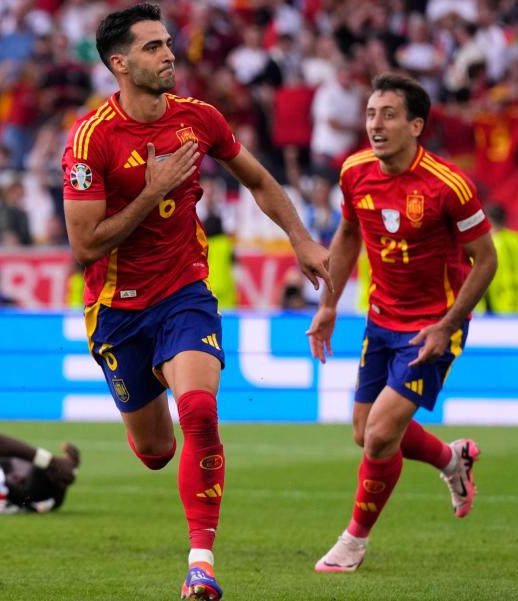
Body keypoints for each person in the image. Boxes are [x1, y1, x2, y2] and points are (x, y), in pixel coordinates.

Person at [61, 5, 331, 599]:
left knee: (201, 413)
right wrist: (152, 190)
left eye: (168, 44)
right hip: (116, 308)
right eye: (154, 47)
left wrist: (302, 239)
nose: (169, 56)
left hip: (184, 291)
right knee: (157, 451)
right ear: (120, 63)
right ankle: (151, 409)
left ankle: (201, 564)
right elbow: (84, 246)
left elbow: (258, 180)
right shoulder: (90, 140)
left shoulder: (199, 119)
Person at [306, 73, 498, 573]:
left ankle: (354, 542)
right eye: (371, 114)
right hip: (380, 320)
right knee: (363, 433)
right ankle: (450, 460)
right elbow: (348, 233)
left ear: (416, 125)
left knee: (380, 435)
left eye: (388, 115)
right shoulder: (354, 171)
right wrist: (328, 303)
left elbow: (487, 260)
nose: (376, 124)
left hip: (433, 326)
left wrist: (447, 325)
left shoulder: (448, 185)